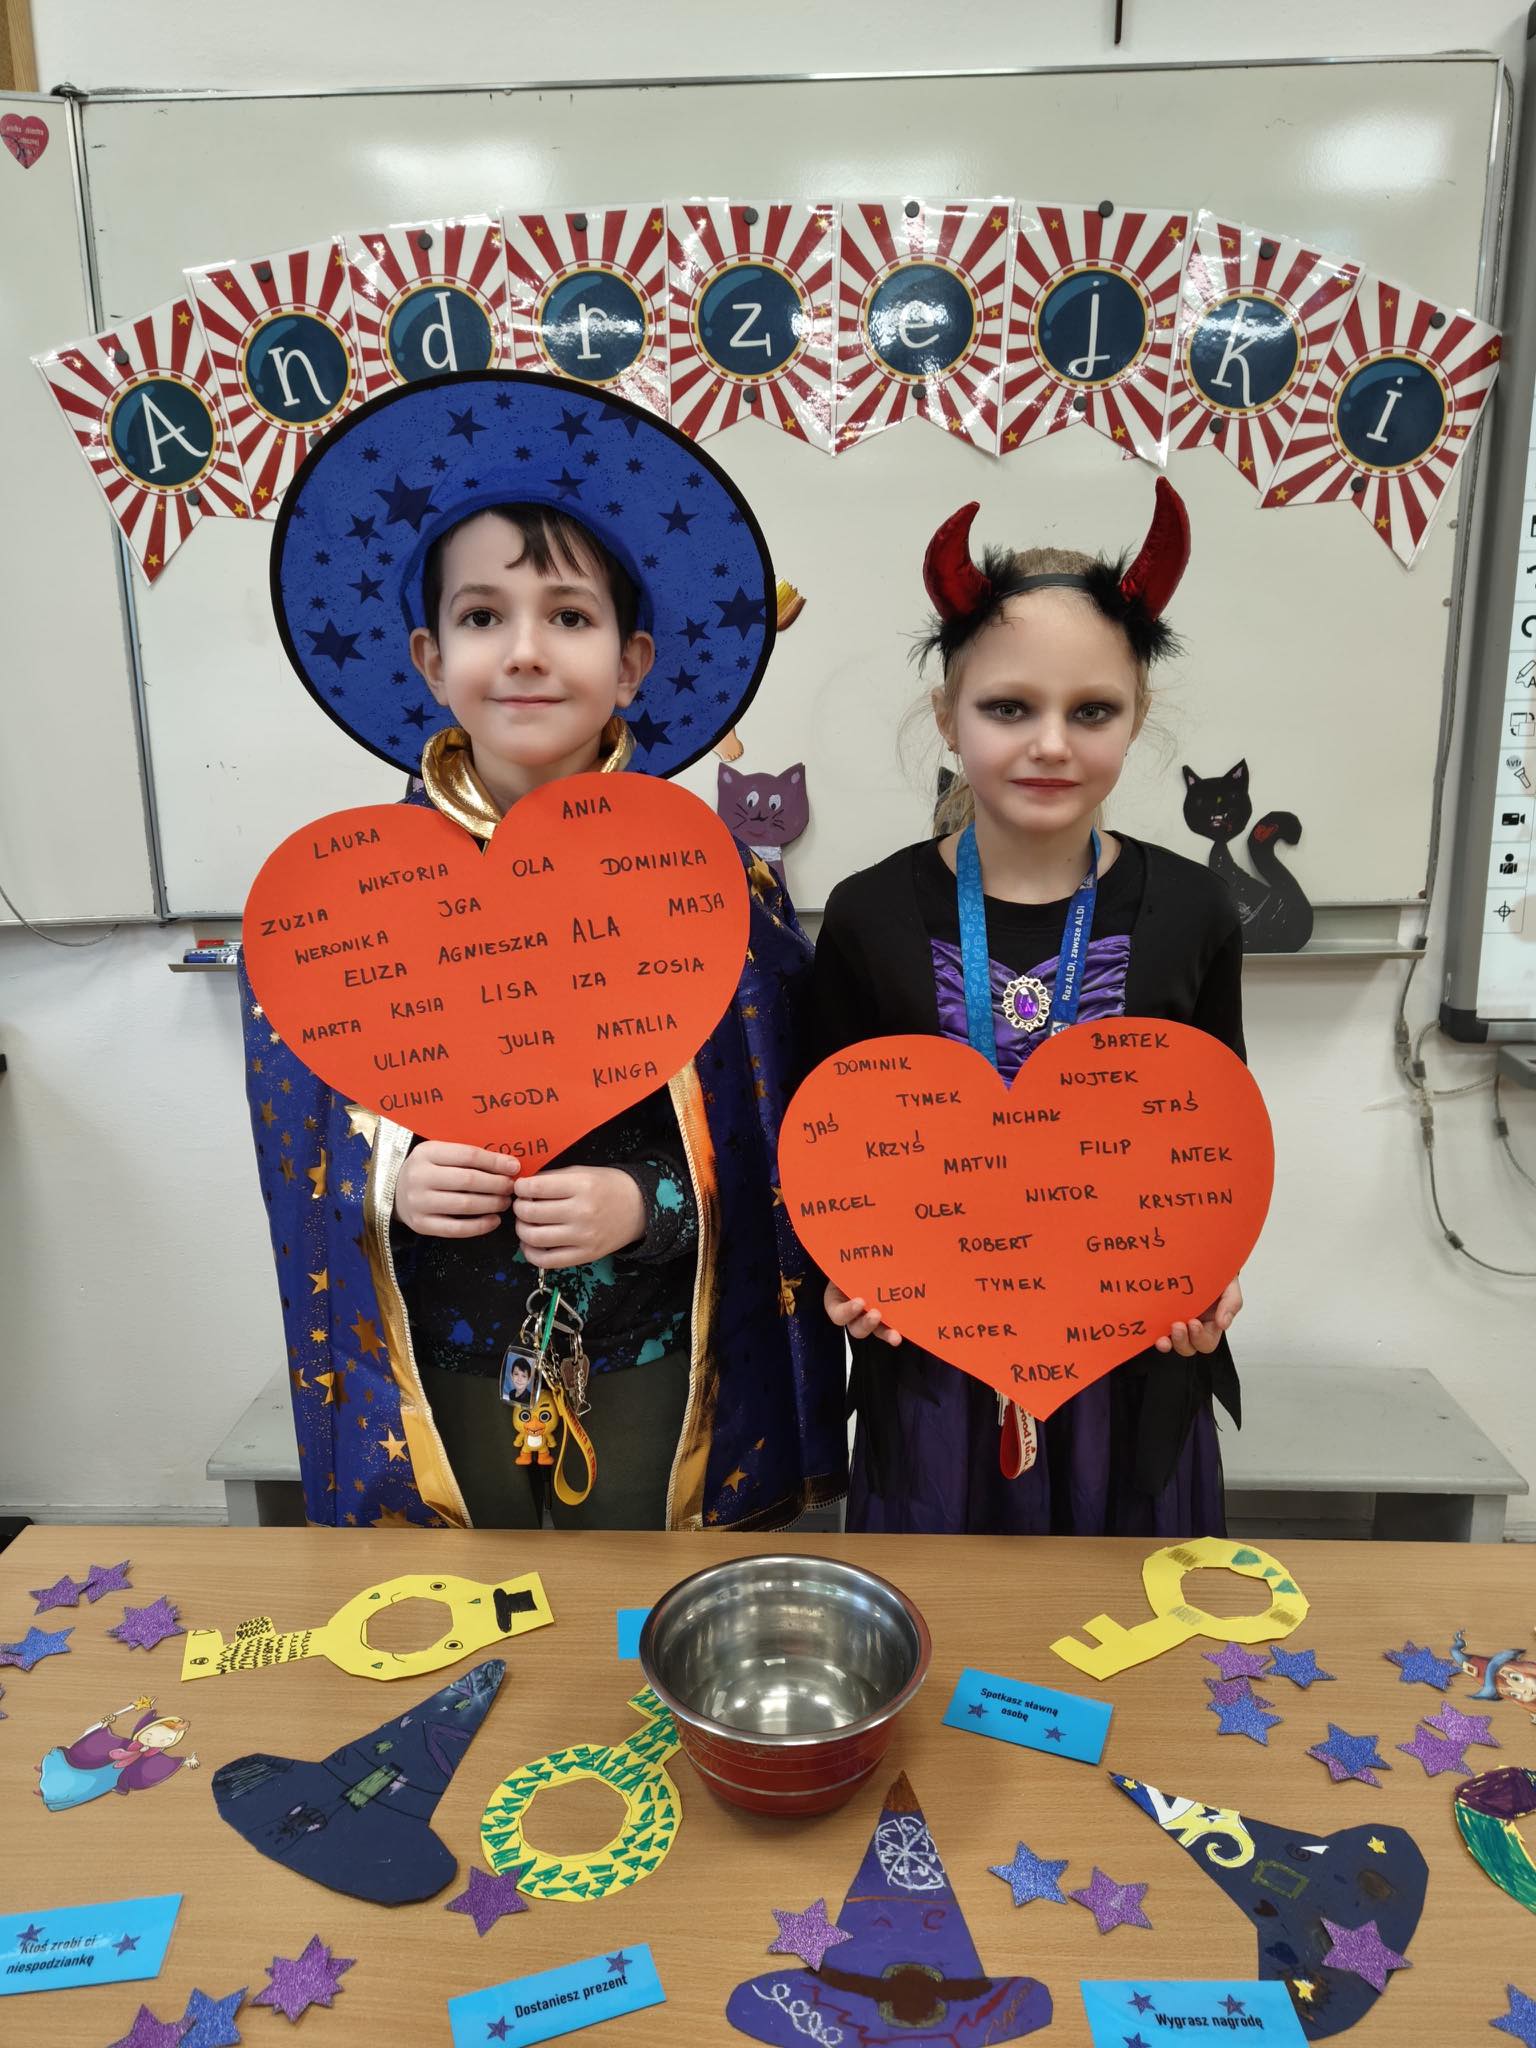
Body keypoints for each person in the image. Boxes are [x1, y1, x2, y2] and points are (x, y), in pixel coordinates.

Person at [239, 370, 844, 1533]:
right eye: (482, 618)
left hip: (652, 1352)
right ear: (429, 658)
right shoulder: (350, 896)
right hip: (446, 1354)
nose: (524, 651)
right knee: (477, 1605)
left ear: (631, 660)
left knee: (636, 1609)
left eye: (568, 616)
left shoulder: (711, 881)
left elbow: (774, 1124)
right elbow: (300, 1133)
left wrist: (650, 1202)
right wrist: (390, 1180)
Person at [812, 479, 1245, 1537]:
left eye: (1091, 711)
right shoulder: (869, 914)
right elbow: (828, 1140)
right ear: (948, 718)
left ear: (1138, 717)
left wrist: (1212, 1276)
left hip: (1131, 1356)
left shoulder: (1193, 910)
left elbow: (1219, 1134)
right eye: (1009, 707)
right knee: (945, 1620)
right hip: (934, 1365)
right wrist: (846, 1271)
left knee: (1127, 1618)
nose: (1051, 743)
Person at [38, 1700, 198, 1811]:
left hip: (109, 1778)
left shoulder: (153, 1756)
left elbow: (161, 1766)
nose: (156, 1740)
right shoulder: (123, 1743)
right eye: (151, 1734)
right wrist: (103, 1725)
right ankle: (49, 1781)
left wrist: (185, 1761)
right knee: (69, 1773)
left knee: (84, 1788)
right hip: (94, 1764)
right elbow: (99, 1741)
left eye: (166, 1740)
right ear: (142, 1730)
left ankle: (52, 1797)